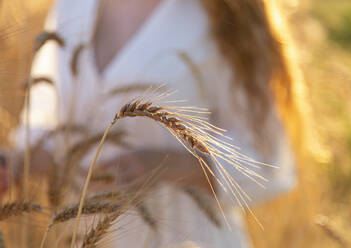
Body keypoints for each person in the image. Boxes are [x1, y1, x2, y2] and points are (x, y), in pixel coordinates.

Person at [9, 0, 301, 247]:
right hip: (82, 236)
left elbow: (269, 162)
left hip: (187, 238)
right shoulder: (73, 5)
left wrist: (172, 165)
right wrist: (16, 164)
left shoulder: (224, 14)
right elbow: (47, 122)